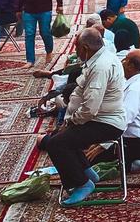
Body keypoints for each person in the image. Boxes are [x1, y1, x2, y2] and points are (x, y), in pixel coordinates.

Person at [41, 28, 126, 206]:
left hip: (106, 122)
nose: (75, 51)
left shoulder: (101, 67)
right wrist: (68, 120)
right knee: (58, 137)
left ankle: (82, 184)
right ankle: (87, 173)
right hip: (97, 118)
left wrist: (72, 121)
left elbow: (90, 108)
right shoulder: (97, 59)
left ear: (85, 47)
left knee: (56, 144)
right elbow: (80, 94)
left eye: (77, 47)